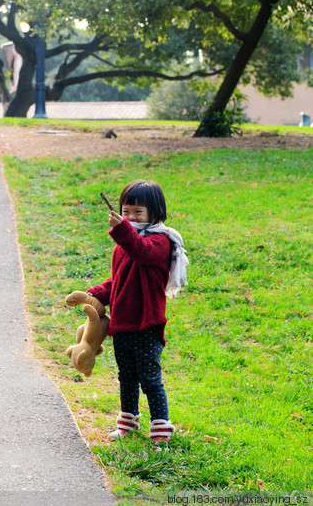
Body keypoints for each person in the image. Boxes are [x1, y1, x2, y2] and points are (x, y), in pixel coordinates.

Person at [87, 180, 188, 444]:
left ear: (155, 213)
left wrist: (122, 230)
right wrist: (96, 294)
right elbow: (118, 281)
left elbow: (141, 252)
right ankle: (127, 422)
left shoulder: (160, 242)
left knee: (150, 379)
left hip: (147, 324)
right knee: (126, 377)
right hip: (122, 324)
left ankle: (161, 428)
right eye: (126, 211)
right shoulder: (124, 243)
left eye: (138, 212)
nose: (130, 217)